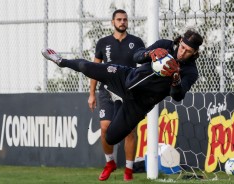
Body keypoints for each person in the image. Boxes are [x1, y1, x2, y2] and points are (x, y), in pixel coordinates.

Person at [41, 28, 203, 178]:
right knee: (86, 67)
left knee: (111, 137)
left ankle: (118, 104)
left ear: (195, 52)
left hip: (139, 104)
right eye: (182, 47)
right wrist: (151, 53)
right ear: (180, 41)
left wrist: (175, 79)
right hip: (125, 78)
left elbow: (177, 96)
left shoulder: (190, 71)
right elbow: (137, 56)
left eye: (188, 51)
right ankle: (61, 61)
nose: (182, 53)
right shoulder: (165, 46)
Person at [87, 9, 145, 181]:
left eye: (125, 19)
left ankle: (128, 170)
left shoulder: (137, 41)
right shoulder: (103, 43)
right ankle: (110, 162)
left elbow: (143, 67)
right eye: (119, 19)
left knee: (130, 132)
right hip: (107, 91)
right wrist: (91, 94)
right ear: (113, 22)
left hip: (129, 92)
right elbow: (94, 70)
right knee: (105, 128)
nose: (122, 22)